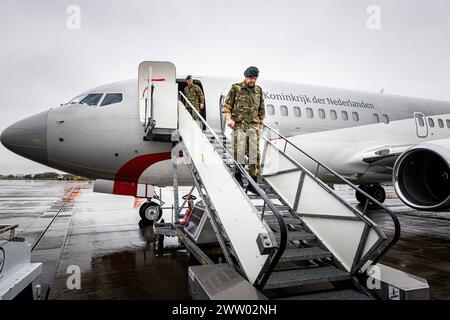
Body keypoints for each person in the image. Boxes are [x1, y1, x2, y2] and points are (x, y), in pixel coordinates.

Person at [221, 66, 265, 193]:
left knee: (254, 155)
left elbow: (261, 109)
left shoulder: (258, 90)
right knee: (239, 153)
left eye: (255, 78)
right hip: (239, 126)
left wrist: (261, 123)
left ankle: (253, 183)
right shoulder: (236, 88)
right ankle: (238, 178)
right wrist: (229, 119)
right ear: (245, 77)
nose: (253, 81)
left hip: (254, 126)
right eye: (251, 78)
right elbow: (227, 106)